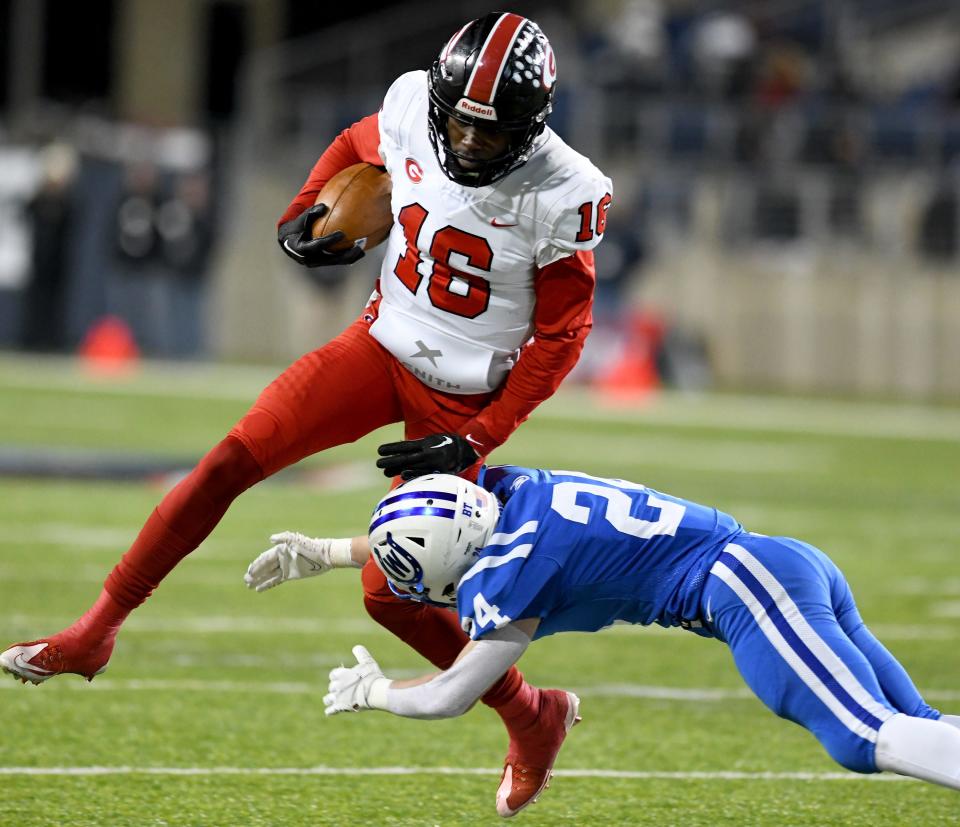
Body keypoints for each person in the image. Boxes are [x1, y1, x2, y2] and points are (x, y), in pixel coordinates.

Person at [1, 12, 611, 814]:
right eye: (456, 119)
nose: (464, 141)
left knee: (389, 590)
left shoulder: (565, 189)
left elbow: (562, 338)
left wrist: (477, 434)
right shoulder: (407, 107)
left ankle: (532, 716)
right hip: (379, 343)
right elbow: (358, 143)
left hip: (463, 397)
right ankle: (96, 630)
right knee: (229, 458)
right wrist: (301, 209)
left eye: (486, 132)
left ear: (531, 130)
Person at [260, 468, 960, 816]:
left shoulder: (509, 577)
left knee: (863, 736)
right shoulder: (510, 489)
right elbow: (439, 525)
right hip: (780, 561)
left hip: (742, 584)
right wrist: (326, 550)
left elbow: (449, 693)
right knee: (920, 726)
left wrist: (375, 691)